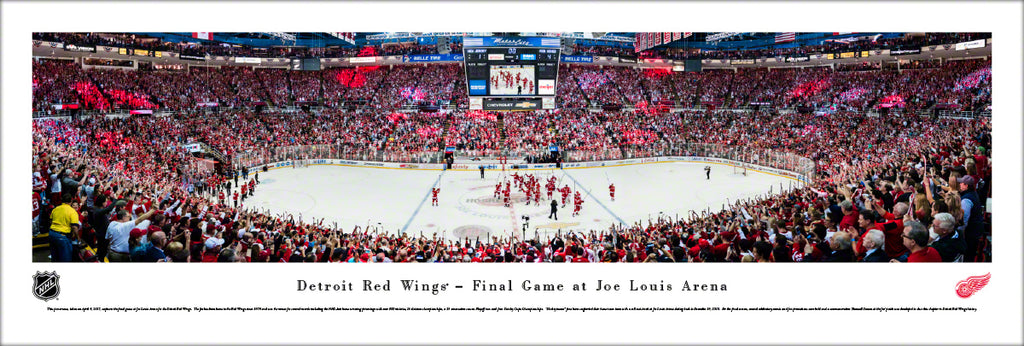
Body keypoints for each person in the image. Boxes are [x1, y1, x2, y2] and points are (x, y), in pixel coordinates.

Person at [956, 175, 985, 262]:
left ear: (966, 185)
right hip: (975, 231)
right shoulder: (973, 194)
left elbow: (964, 221)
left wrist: (959, 237)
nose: (960, 184)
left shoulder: (966, 200)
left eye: (961, 183)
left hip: (971, 235)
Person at [48, 193, 80, 262]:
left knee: (55, 258)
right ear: (71, 202)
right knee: (65, 260)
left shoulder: (55, 209)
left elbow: (50, 221)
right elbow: (74, 227)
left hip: (52, 234)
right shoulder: (72, 211)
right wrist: (78, 238)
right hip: (62, 237)